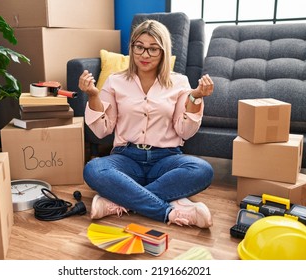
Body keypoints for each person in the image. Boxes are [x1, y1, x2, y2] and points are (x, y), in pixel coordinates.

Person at [78, 19, 214, 228]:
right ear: (132, 47)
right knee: (93, 169)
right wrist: (93, 96)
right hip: (126, 157)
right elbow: (101, 130)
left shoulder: (180, 82)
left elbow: (184, 132)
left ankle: (116, 200)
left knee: (202, 169)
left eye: (153, 49)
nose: (144, 54)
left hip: (166, 158)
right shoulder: (115, 81)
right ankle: (169, 211)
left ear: (163, 52)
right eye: (139, 47)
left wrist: (195, 98)